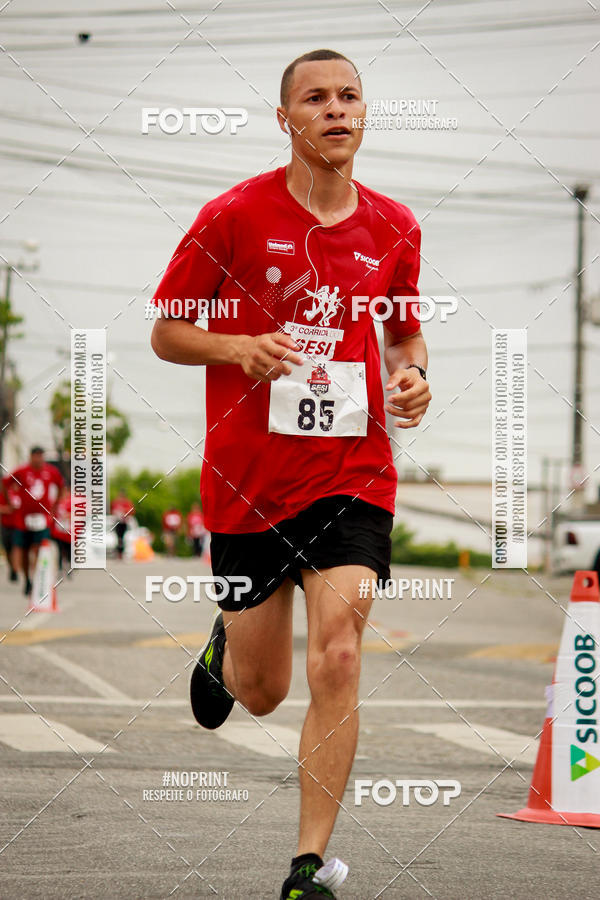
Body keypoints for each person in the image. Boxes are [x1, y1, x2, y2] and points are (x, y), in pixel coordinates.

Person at [151, 48, 430, 900]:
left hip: (352, 472)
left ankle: (309, 865)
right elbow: (167, 332)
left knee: (339, 655)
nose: (336, 109)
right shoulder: (231, 216)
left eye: (349, 96)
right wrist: (236, 346)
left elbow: (403, 332)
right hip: (249, 484)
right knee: (265, 691)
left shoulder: (394, 226)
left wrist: (414, 374)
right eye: (315, 98)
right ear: (285, 119)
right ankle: (225, 647)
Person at [7, 446, 64, 595]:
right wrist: (10, 502)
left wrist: (54, 507)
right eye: (36, 456)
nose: (38, 459)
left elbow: (60, 486)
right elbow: (6, 483)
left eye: (40, 456)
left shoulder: (51, 471)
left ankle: (38, 577)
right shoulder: (22, 471)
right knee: (23, 548)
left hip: (42, 518)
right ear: (31, 457)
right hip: (23, 518)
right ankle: (26, 578)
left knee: (39, 547)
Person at [0, 475, 19, 582]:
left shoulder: (20, 494)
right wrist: (8, 509)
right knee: (8, 549)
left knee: (16, 547)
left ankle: (15, 570)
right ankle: (12, 567)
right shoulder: (5, 494)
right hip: (6, 525)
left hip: (17, 526)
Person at [51, 484, 72, 574]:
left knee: (68, 549)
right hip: (58, 530)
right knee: (59, 549)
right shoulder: (57, 502)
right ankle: (59, 567)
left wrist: (67, 516)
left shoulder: (71, 502)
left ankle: (69, 564)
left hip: (68, 530)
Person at [111, 490, 134, 560]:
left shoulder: (127, 502)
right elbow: (112, 510)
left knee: (122, 538)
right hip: (117, 522)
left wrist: (124, 511)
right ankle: (118, 553)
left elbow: (131, 511)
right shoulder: (115, 502)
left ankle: (121, 553)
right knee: (118, 538)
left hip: (124, 522)